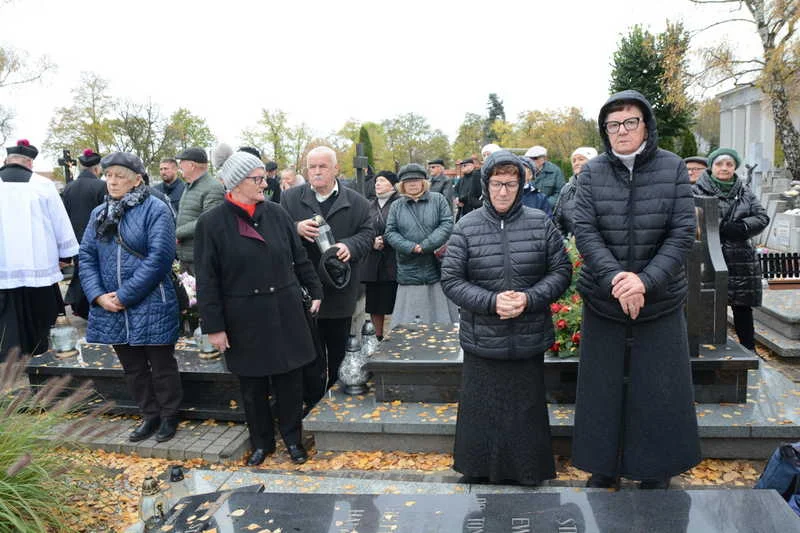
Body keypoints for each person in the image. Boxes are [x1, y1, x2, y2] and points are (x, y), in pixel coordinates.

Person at [571, 90, 701, 490]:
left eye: (630, 122)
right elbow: (586, 231)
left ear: (646, 126)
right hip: (605, 296)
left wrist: (644, 280)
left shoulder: (672, 167)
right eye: (613, 125)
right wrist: (617, 279)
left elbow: (681, 233)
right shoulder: (592, 173)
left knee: (658, 386)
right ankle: (602, 465)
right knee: (602, 387)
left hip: (658, 297)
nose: (621, 131)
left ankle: (656, 468)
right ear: (604, 130)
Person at [441, 150, 572, 485]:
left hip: (526, 334)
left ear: (520, 185)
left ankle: (528, 471)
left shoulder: (539, 221)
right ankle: (479, 468)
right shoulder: (467, 226)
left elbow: (560, 271)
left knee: (525, 410)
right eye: (497, 183)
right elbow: (452, 279)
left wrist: (529, 299)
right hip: (483, 335)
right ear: (486, 184)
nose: (503, 191)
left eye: (510, 184)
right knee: (482, 408)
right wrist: (491, 302)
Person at [195, 150, 323, 466]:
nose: (264, 183)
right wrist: (214, 326)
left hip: (284, 310)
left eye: (263, 177)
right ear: (237, 182)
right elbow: (206, 279)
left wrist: (316, 289)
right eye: (257, 178)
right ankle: (261, 443)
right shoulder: (211, 223)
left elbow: (300, 258)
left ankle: (293, 439)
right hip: (244, 318)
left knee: (290, 381)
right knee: (252, 387)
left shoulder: (277, 214)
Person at [79, 152, 182, 443]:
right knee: (133, 368)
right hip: (111, 306)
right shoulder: (99, 213)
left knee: (161, 365)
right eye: (109, 175)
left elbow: (159, 259)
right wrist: (98, 295)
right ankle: (149, 415)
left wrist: (124, 295)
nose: (112, 182)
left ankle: (169, 416)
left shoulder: (155, 209)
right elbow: (86, 255)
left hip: (152, 302)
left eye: (120, 176)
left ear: (137, 180)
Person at [280, 146, 374, 397]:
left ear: (336, 169)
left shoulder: (358, 203)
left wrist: (349, 246)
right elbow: (276, 229)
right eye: (312, 166)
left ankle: (338, 402)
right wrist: (296, 227)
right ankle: (312, 402)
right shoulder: (290, 199)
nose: (317, 171)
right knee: (309, 354)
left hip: (339, 290)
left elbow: (368, 234)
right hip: (304, 289)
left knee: (339, 350)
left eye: (323, 166)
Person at [0, 139, 79, 360]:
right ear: (29, 163)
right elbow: (60, 223)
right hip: (39, 267)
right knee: (41, 318)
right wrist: (65, 255)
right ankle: (42, 353)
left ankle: (9, 360)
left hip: (3, 269)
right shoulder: (43, 185)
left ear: (8, 161)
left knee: (8, 321)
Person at [692, 148, 769, 351]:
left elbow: (762, 217)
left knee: (742, 306)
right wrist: (715, 226)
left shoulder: (744, 192)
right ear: (711, 167)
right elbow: (690, 219)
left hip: (740, 257)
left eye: (729, 164)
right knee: (706, 303)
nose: (724, 168)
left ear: (735, 167)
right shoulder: (696, 190)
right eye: (719, 164)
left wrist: (743, 227)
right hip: (708, 256)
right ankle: (705, 347)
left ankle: (748, 348)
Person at [384, 163, 456, 326]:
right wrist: (410, 247)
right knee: (409, 315)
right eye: (408, 181)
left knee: (439, 312)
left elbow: (446, 224)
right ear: (401, 185)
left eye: (416, 180)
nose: (412, 183)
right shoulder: (396, 205)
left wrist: (426, 245)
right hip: (408, 264)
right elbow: (390, 232)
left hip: (435, 263)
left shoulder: (438, 200)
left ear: (424, 182)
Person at [62, 148, 108, 319]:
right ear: (96, 168)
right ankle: (87, 307)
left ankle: (77, 304)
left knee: (82, 272)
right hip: (97, 239)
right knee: (95, 275)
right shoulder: (102, 186)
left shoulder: (69, 188)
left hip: (75, 240)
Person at [361, 171, 400, 340]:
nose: (377, 184)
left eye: (382, 181)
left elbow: (403, 227)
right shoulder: (369, 205)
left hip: (393, 260)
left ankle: (396, 336)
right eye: (376, 181)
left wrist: (386, 239)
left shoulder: (400, 203)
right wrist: (371, 242)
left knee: (395, 301)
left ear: (392, 184)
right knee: (375, 304)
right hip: (373, 261)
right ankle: (378, 337)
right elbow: (361, 229)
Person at [175, 147, 224, 275]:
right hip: (185, 257)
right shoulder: (189, 186)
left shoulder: (213, 187)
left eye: (182, 163)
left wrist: (178, 232)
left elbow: (209, 221)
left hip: (200, 259)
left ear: (191, 165)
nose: (179, 166)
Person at [553, 147, 598, 238]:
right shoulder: (566, 190)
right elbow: (557, 223)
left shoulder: (605, 186)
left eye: (581, 159)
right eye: (574, 161)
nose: (576, 163)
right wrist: (566, 244)